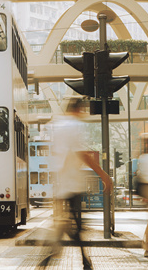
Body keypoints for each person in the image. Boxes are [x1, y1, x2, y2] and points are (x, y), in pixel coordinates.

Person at [42, 98, 112, 270]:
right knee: (77, 226)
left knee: (68, 224)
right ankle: (84, 262)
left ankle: (55, 255)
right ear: (78, 109)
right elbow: (83, 155)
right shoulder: (74, 126)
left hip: (61, 183)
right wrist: (103, 175)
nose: (84, 114)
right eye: (83, 110)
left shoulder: (57, 126)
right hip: (72, 184)